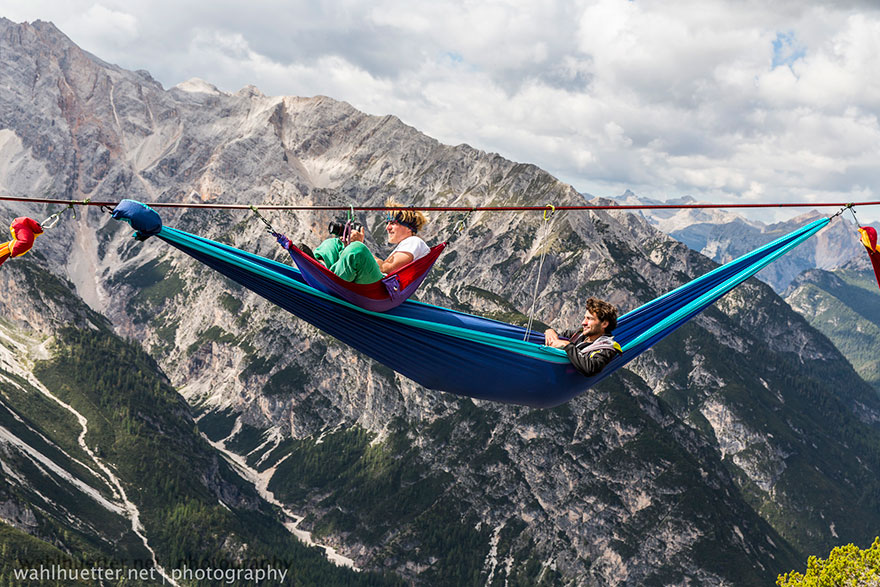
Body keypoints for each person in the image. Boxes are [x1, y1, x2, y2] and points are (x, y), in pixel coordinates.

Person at [307, 200, 430, 284]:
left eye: (393, 223)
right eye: (387, 223)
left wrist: (360, 244)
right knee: (335, 243)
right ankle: (320, 265)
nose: (387, 228)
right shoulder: (405, 246)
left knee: (357, 250)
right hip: (375, 284)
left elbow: (386, 269)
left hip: (380, 290)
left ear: (408, 227)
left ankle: (327, 278)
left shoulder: (414, 242)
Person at [544, 297, 622, 377]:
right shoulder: (579, 334)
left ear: (604, 324)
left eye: (589, 319)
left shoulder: (607, 348)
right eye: (585, 318)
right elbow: (558, 336)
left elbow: (590, 368)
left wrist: (567, 345)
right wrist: (550, 331)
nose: (583, 322)